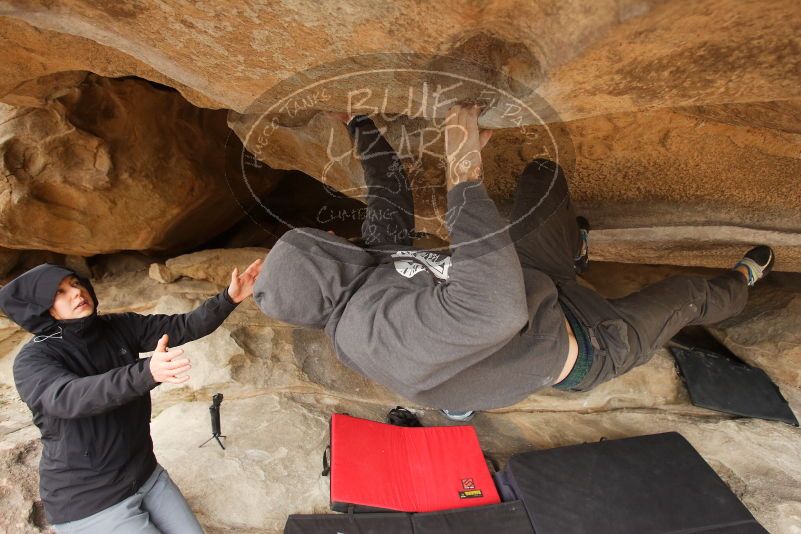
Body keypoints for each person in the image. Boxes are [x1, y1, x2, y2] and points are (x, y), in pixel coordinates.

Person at [252, 104, 774, 422]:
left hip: (537, 282)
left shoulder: (370, 262)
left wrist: (359, 123)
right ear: (321, 270)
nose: (328, 232)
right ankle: (740, 284)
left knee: (543, 179)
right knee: (686, 296)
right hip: (586, 343)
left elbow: (388, 191)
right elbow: (494, 310)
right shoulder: (374, 336)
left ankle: (573, 257)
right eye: (319, 239)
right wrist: (462, 171)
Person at [0, 258, 262, 533]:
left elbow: (184, 325)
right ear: (45, 309)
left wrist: (229, 299)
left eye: (76, 284)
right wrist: (146, 371)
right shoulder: (33, 360)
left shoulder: (116, 327)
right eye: (60, 292)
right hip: (90, 501)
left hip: (146, 475)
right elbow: (69, 397)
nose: (76, 292)